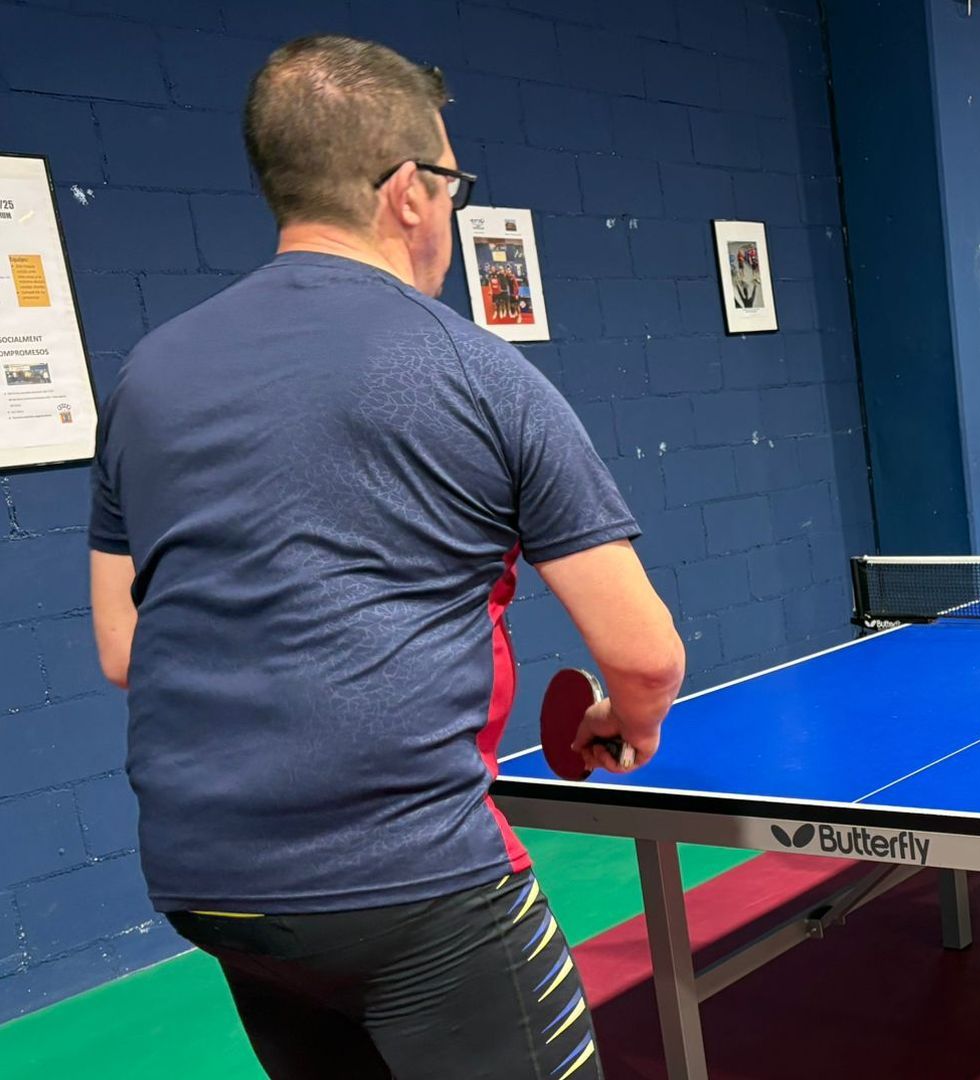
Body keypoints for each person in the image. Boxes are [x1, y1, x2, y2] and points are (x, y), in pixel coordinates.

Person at [87, 35, 685, 1079]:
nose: (449, 208)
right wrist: (618, 726)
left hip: (207, 886)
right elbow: (644, 656)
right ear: (408, 192)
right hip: (413, 888)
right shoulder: (475, 370)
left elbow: (123, 647)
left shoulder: (147, 375)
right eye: (450, 183)